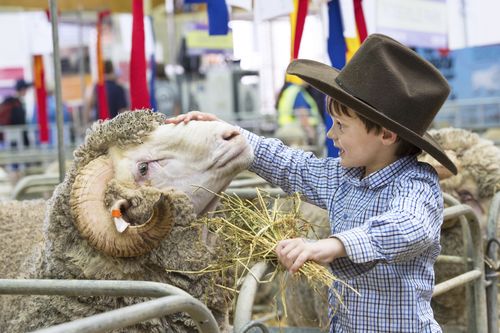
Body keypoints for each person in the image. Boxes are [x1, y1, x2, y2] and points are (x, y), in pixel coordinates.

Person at [166, 34, 457, 332]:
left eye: (341, 126)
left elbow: (409, 226)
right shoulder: (344, 177)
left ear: (386, 135)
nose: (331, 135)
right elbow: (293, 166)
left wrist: (333, 245)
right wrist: (231, 136)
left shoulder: (417, 184)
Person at [275, 78, 322, 146]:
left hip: (283, 128)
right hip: (295, 130)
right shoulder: (297, 91)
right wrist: (310, 131)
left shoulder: (288, 90)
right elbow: (302, 112)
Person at [84, 60, 128, 124]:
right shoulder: (118, 88)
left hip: (100, 126)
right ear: (112, 70)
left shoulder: (97, 87)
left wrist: (87, 120)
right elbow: (123, 111)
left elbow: (90, 104)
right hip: (114, 127)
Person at [0, 78, 33, 148]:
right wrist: (26, 142)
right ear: (22, 89)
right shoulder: (16, 104)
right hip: (17, 137)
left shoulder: (10, 101)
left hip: (10, 136)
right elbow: (20, 123)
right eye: (25, 89)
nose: (26, 91)